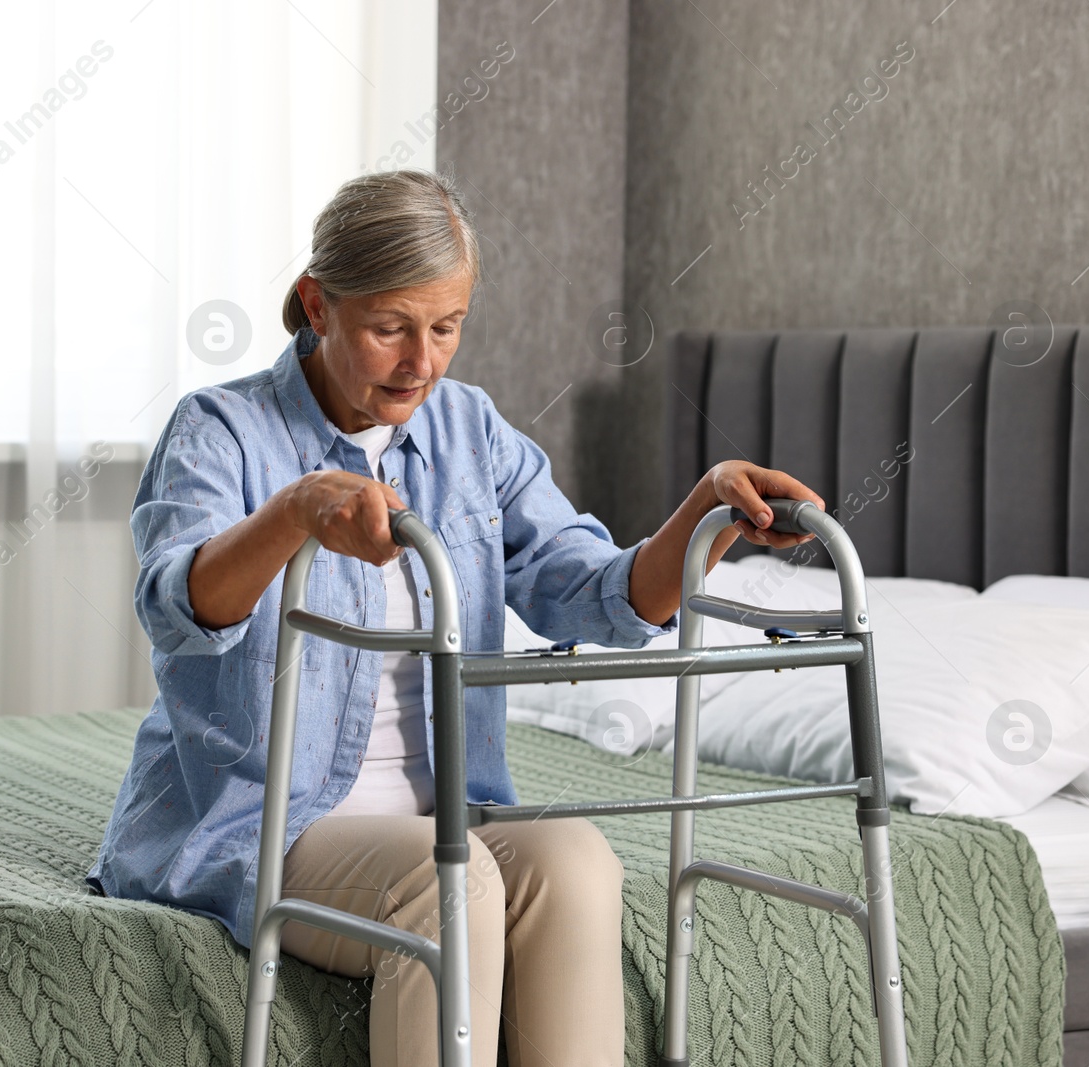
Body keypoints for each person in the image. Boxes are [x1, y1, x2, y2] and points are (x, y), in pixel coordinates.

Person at [86, 169, 823, 1067]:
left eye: (447, 328)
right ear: (318, 306)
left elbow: (600, 592)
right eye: (390, 327)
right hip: (265, 825)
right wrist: (296, 512)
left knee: (578, 862)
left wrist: (706, 509)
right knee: (452, 886)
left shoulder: (471, 430)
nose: (422, 362)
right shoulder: (221, 430)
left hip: (450, 813)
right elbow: (178, 608)